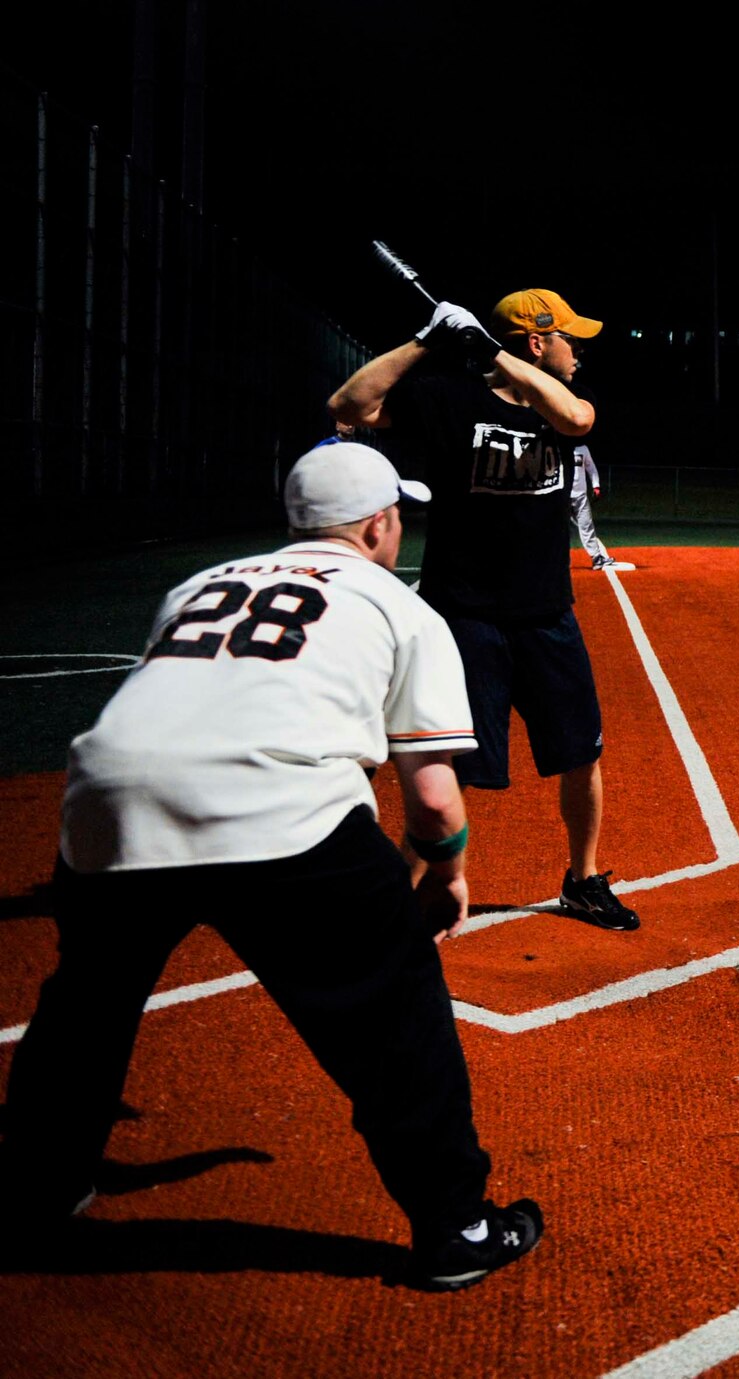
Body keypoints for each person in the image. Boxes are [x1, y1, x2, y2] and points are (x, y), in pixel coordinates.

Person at [0, 442, 541, 1291]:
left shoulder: (198, 585)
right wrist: (444, 872)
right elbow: (434, 801)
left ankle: (37, 1187)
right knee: (397, 1019)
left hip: (105, 804)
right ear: (377, 524)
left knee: (85, 1009)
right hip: (282, 814)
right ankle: (458, 1226)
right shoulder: (402, 608)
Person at [329, 291, 640, 930]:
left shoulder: (558, 410)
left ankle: (582, 881)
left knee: (581, 751)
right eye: (568, 341)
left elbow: (579, 420)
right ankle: (399, 900)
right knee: (453, 763)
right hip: (464, 614)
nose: (577, 353)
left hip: (546, 612)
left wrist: (491, 350)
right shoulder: (448, 398)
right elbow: (348, 406)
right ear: (537, 342)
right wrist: (426, 339)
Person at [571, 442, 631, 572]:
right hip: (562, 496)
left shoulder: (583, 448)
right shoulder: (558, 446)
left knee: (587, 525)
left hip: (580, 496)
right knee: (555, 529)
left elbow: (591, 467)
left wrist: (596, 485)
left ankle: (597, 558)